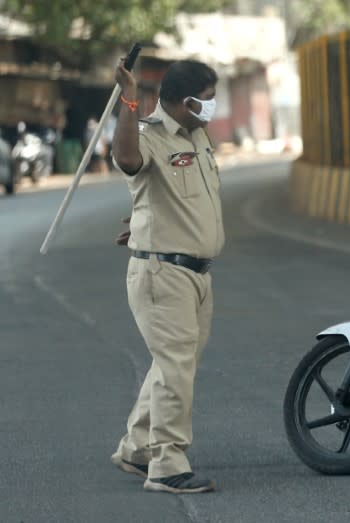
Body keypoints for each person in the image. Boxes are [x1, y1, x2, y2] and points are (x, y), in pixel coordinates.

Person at [110, 58, 224, 494]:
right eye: (208, 100)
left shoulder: (198, 136)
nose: (213, 108)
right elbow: (126, 159)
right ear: (188, 101)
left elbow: (175, 199)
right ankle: (167, 464)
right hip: (164, 273)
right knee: (176, 367)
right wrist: (129, 98)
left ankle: (137, 447)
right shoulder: (149, 136)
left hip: (196, 274)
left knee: (174, 364)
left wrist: (144, 219)